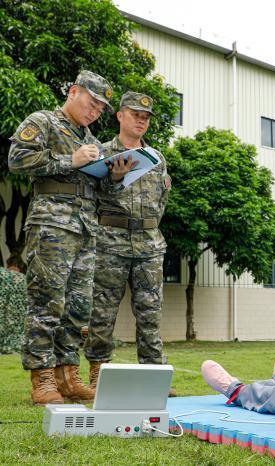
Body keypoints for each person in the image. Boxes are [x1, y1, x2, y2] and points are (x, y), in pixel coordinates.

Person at [8, 70, 134, 405]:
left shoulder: (92, 140)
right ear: (74, 91)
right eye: (92, 103)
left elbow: (99, 187)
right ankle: (42, 378)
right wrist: (70, 159)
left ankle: (68, 376)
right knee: (47, 303)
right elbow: (17, 159)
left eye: (100, 108)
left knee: (78, 309)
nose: (95, 112)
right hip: (51, 226)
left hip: (84, 231)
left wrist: (116, 177)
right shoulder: (43, 121)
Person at [84, 92, 172, 389]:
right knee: (102, 310)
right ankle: (98, 373)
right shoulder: (99, 152)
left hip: (149, 243)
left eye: (146, 117)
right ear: (120, 115)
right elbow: (91, 196)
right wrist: (114, 180)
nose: (141, 120)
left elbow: (162, 198)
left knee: (150, 311)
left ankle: (154, 378)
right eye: (135, 114)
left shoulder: (157, 158)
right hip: (111, 241)